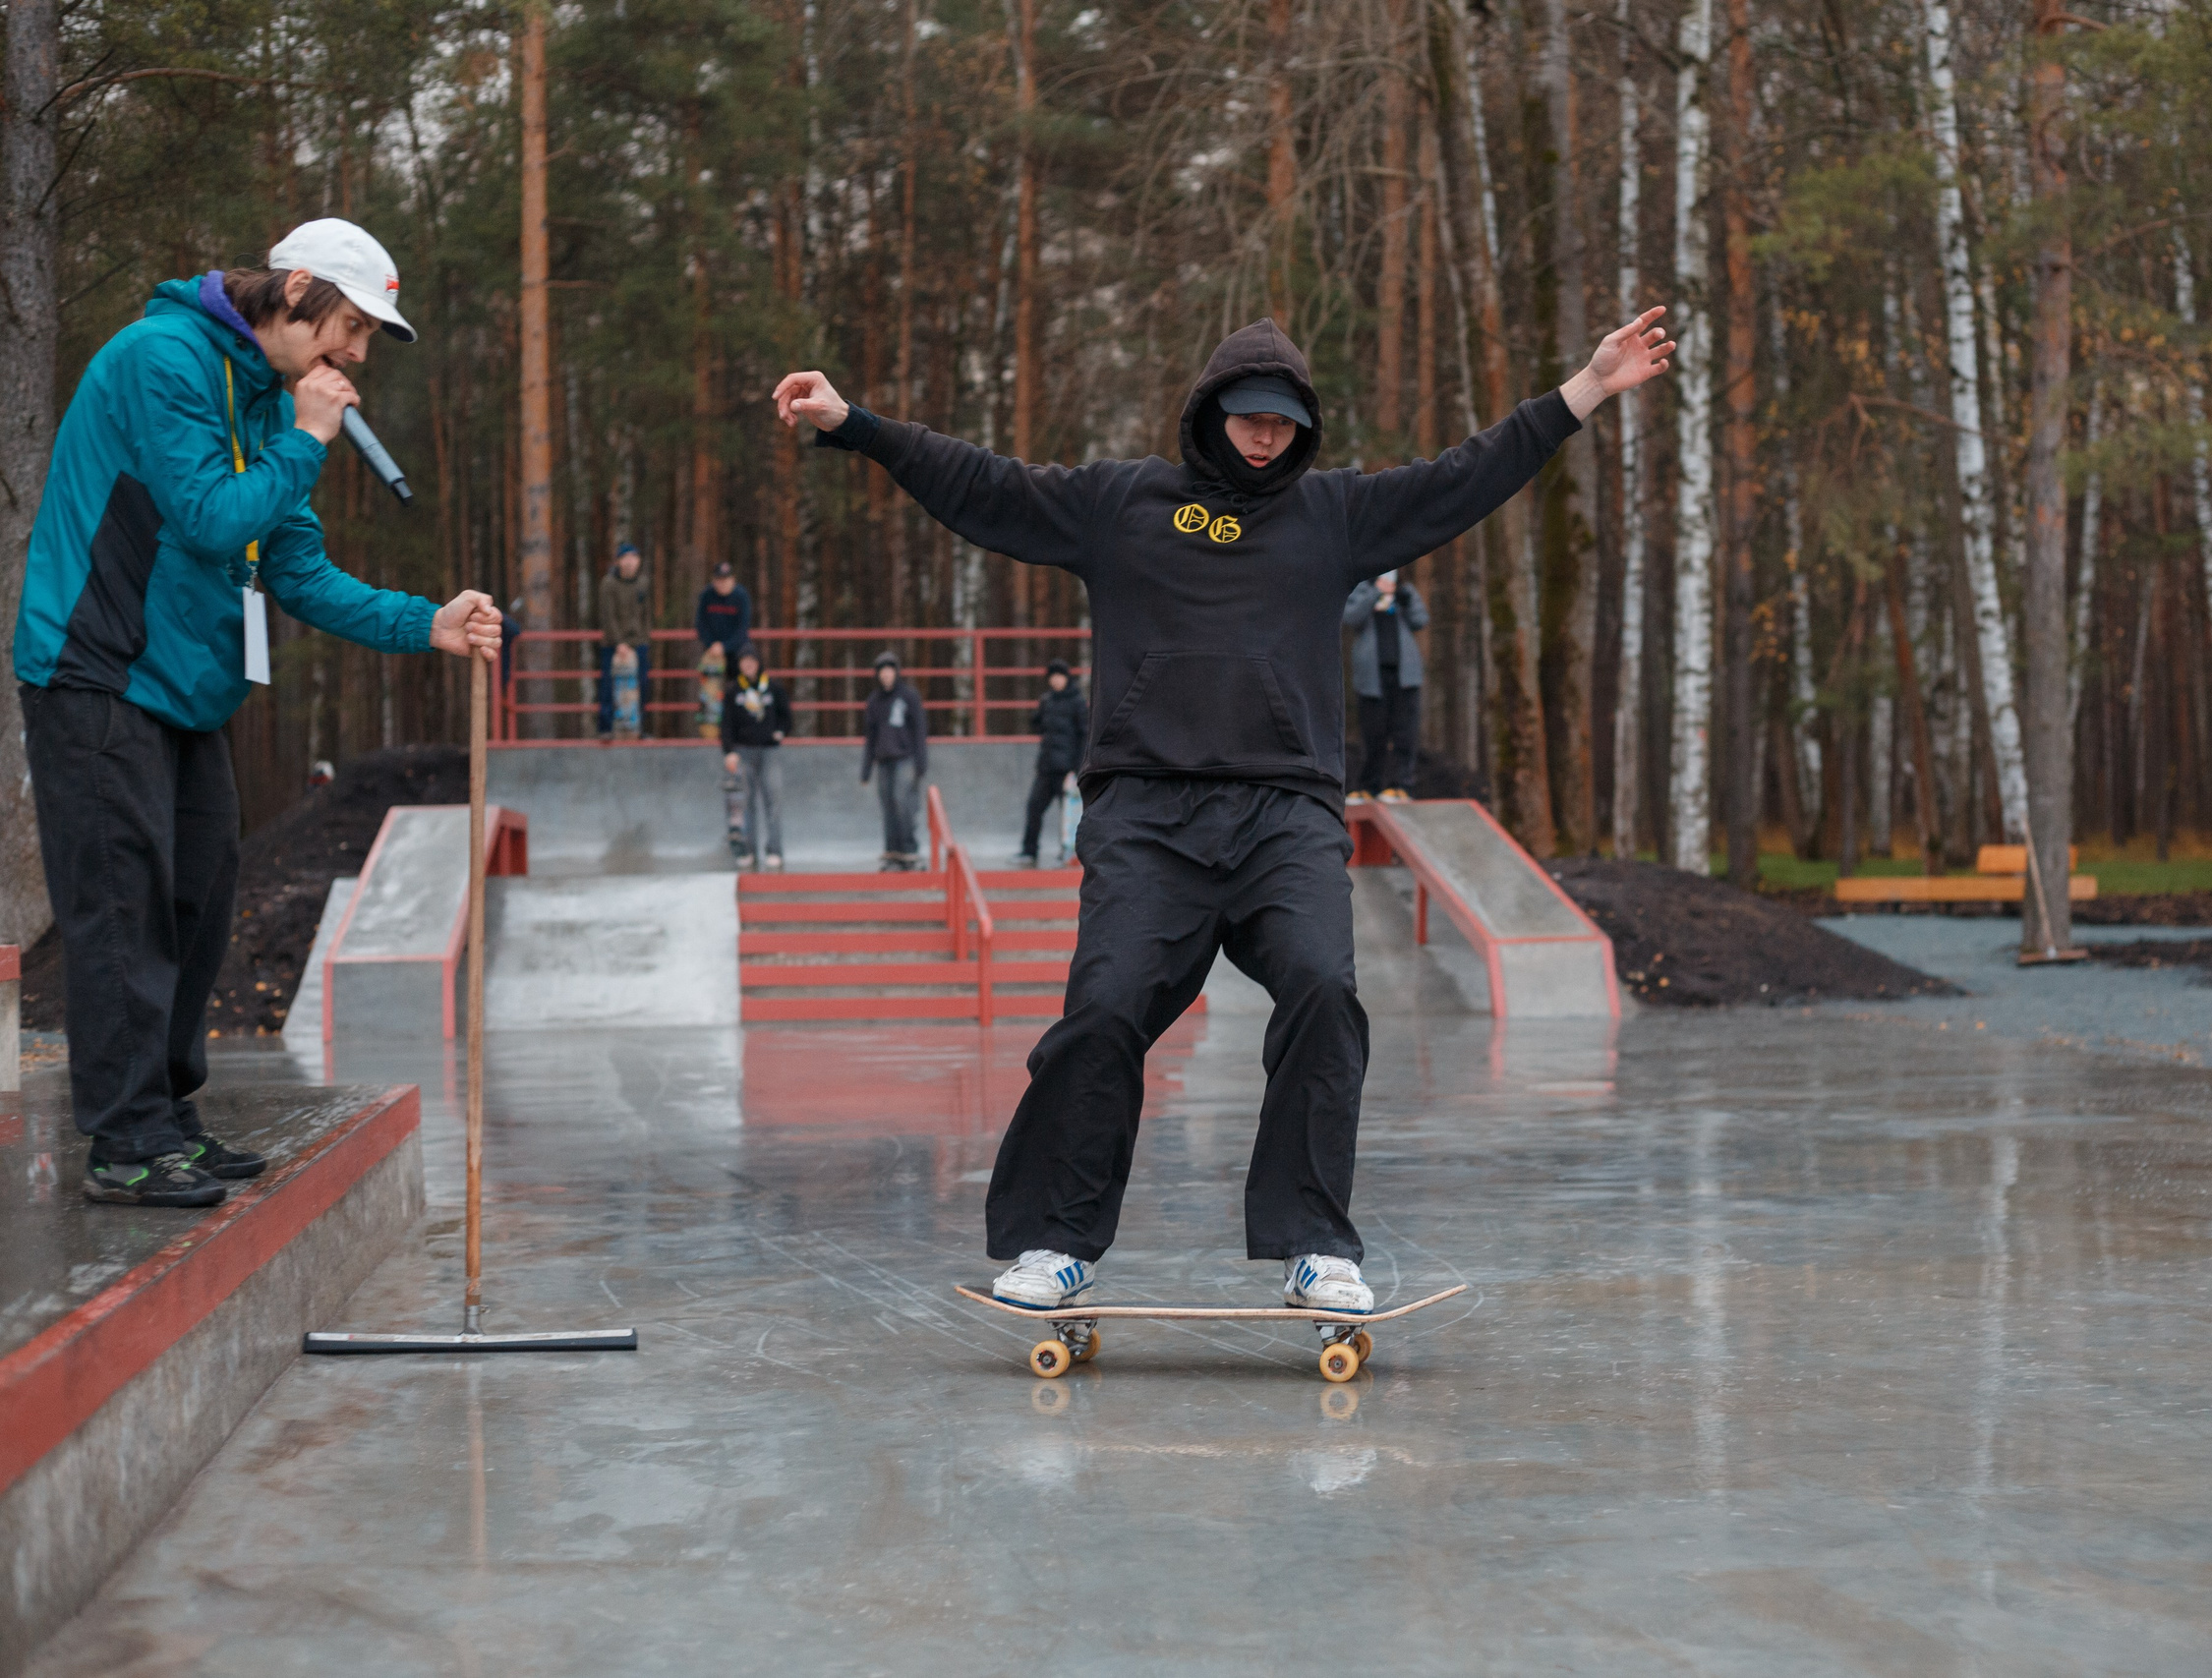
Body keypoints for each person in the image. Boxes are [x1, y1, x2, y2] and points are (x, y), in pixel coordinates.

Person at [774, 306, 1670, 1313]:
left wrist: (1584, 390)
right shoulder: (1120, 505)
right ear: (1210, 414)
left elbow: (1463, 477)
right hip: (1146, 819)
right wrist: (856, 423)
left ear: (1303, 425)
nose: (1264, 436)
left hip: (1282, 816)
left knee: (1326, 990)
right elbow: (985, 483)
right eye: (1247, 417)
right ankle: (1055, 1243)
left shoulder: (1334, 516)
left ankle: (1316, 1245)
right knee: (1104, 1012)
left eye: (1282, 421)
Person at [12, 217, 502, 1209]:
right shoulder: (164, 359)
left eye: (368, 339)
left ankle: (167, 1119)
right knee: (124, 905)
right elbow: (208, 516)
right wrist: (309, 438)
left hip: (184, 688)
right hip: (96, 671)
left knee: (197, 900)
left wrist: (428, 625)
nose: (359, 355)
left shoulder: (263, 401)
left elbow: (296, 568)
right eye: (354, 327)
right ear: (298, 290)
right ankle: (123, 1141)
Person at [1343, 570, 1428, 803]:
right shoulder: (1362, 587)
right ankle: (1368, 787)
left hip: (1405, 676)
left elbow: (1420, 620)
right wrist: (1375, 591)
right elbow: (1351, 617)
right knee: (1373, 734)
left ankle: (1402, 786)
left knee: (1405, 734)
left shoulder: (1405, 589)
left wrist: (1402, 596)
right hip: (1371, 678)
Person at [723, 643, 790, 871]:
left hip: (769, 751)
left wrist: (780, 732)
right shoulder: (734, 691)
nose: (748, 665)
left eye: (751, 661)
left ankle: (774, 850)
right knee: (745, 803)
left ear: (758, 663)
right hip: (743, 750)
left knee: (773, 799)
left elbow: (786, 715)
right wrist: (729, 751)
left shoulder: (772, 687)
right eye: (744, 662)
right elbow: (726, 724)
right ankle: (749, 850)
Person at [1017, 659, 1088, 868]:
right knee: (1034, 807)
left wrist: (1077, 768)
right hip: (1046, 767)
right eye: (1052, 677)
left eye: (1059, 676)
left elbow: (1084, 735)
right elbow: (1038, 725)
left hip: (1067, 769)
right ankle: (1029, 851)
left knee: (1069, 814)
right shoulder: (1047, 700)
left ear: (1066, 677)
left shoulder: (1077, 702)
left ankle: (1070, 852)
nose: (1056, 681)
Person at [859, 651, 927, 868]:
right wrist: (866, 769)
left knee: (903, 803)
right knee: (887, 806)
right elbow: (870, 737)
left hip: (904, 759)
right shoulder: (874, 702)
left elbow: (919, 730)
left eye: (890, 671)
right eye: (882, 672)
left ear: (896, 673)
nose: (886, 675)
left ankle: (909, 849)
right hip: (883, 761)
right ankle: (892, 851)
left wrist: (921, 761)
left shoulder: (909, 697)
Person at [596, 544, 650, 736]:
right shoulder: (608, 584)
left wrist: (643, 639)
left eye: (633, 557)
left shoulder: (643, 583)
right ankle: (606, 728)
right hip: (612, 644)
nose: (629, 562)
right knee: (608, 687)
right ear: (618, 561)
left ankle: (639, 729)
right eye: (625, 558)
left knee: (642, 685)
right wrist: (619, 642)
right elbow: (607, 616)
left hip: (638, 644)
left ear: (638, 561)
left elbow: (646, 614)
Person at [695, 559, 752, 663]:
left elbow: (743, 627)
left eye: (725, 579)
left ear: (733, 579)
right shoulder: (707, 595)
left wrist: (725, 646)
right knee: (710, 676)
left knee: (745, 670)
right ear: (713, 580)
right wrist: (711, 644)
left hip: (738, 649)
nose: (722, 583)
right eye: (719, 579)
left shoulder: (741, 596)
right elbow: (701, 623)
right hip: (712, 650)